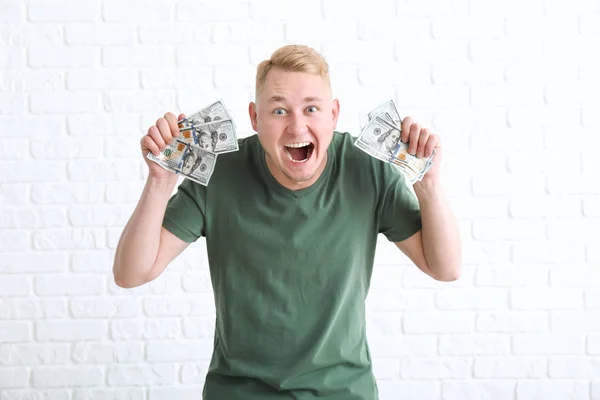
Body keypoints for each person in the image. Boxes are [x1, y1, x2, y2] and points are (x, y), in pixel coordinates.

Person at [113, 45, 461, 400]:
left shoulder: (367, 168)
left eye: (311, 108)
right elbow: (131, 273)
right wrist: (160, 181)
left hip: (343, 392)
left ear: (334, 114)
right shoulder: (219, 172)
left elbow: (444, 267)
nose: (297, 125)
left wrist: (428, 184)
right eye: (279, 110)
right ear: (254, 117)